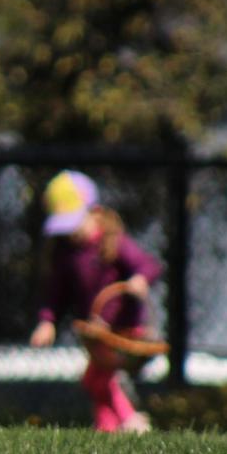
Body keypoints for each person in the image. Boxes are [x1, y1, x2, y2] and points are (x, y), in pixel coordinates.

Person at [29, 170, 162, 433]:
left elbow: (149, 265)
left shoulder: (113, 243)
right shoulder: (66, 255)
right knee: (96, 380)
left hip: (124, 331)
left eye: (75, 223)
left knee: (96, 379)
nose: (71, 234)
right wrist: (47, 322)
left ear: (96, 212)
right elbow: (55, 295)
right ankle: (107, 430)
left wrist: (139, 280)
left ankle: (130, 420)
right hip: (98, 333)